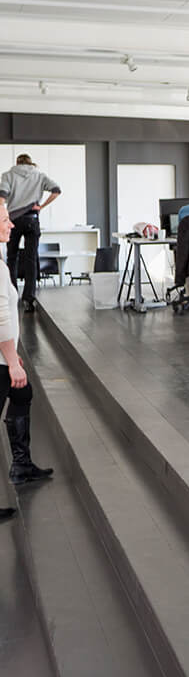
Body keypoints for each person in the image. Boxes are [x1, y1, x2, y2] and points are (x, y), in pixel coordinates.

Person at [0, 202, 52, 494]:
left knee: (23, 393)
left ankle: (22, 465)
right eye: (6, 220)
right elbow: (0, 318)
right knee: (20, 389)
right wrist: (12, 361)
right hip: (1, 358)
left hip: (4, 353)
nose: (11, 225)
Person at [0, 153, 63, 312]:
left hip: (14, 219)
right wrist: (41, 207)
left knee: (12, 258)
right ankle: (29, 297)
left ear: (17, 162)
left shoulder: (8, 175)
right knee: (31, 258)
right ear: (30, 163)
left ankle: (12, 294)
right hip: (32, 219)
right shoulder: (39, 175)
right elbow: (56, 190)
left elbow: (2, 196)